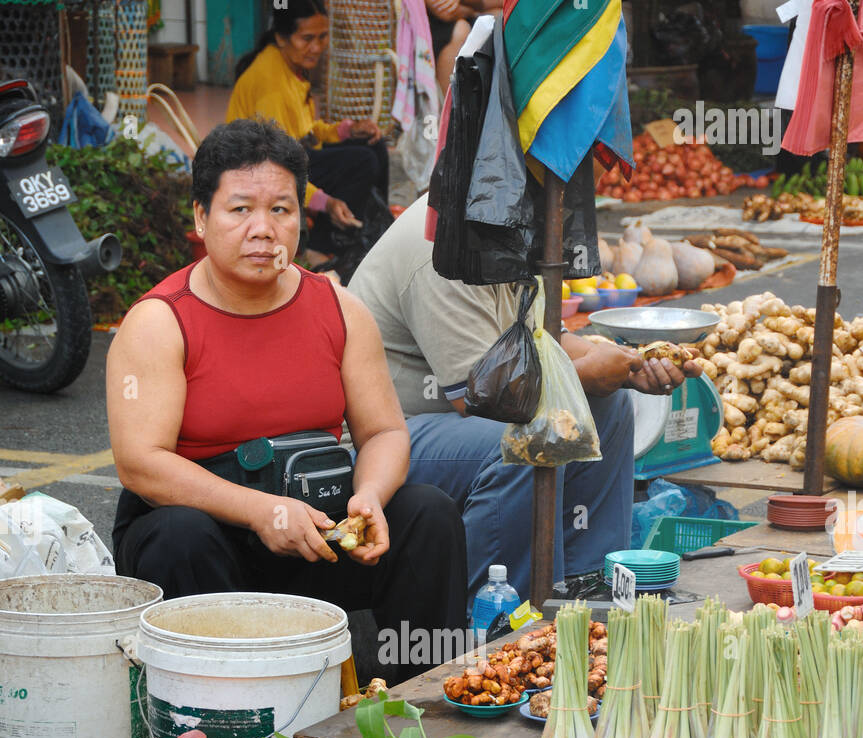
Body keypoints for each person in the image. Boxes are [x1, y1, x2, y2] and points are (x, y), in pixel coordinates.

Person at [107, 120, 466, 687]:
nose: (263, 230)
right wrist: (260, 511)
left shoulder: (338, 307)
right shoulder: (158, 321)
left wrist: (369, 497)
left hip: (315, 528)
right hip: (205, 542)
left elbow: (384, 434)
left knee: (427, 514)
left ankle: (420, 705)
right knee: (179, 535)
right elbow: (139, 461)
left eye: (281, 210)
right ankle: (221, 730)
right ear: (201, 218)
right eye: (240, 209)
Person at [349, 194, 702, 604]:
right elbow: (484, 398)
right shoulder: (440, 245)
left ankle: (587, 589)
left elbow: (540, 340)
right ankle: (503, 615)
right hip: (392, 435)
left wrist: (630, 365)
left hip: (470, 413)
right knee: (525, 443)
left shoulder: (506, 218)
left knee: (608, 407)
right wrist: (588, 372)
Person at [227, 1, 388, 263]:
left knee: (373, 146)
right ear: (281, 37)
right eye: (307, 38)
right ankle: (321, 249)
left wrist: (347, 130)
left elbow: (305, 130)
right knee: (363, 162)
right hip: (256, 168)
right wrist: (324, 202)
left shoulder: (291, 64)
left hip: (288, 154)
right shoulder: (271, 83)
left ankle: (370, 226)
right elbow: (276, 164)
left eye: (322, 36)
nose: (316, 47)